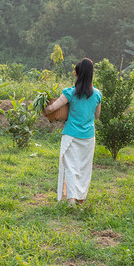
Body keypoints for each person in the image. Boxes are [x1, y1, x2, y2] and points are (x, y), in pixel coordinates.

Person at [44, 58, 102, 206]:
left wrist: (43, 106)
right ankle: (80, 198)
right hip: (88, 137)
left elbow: (51, 108)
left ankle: (71, 200)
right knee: (84, 168)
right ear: (91, 75)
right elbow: (97, 116)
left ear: (76, 74)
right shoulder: (97, 94)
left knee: (71, 167)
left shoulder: (70, 93)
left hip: (71, 135)